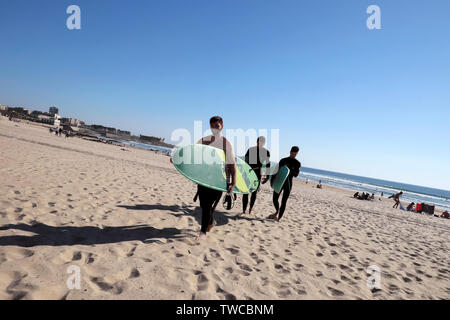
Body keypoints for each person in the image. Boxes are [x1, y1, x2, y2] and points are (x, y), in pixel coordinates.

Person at [195, 116, 236, 240]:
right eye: (212, 126)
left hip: (219, 180)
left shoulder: (226, 143)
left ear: (222, 126)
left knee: (208, 206)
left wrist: (233, 183)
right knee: (203, 205)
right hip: (204, 178)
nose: (215, 129)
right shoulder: (204, 140)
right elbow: (192, 155)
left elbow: (232, 164)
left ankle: (202, 233)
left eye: (217, 126)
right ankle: (211, 222)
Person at [268, 146, 301, 222]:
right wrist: (272, 181)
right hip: (279, 182)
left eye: (294, 154)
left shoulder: (297, 163)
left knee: (284, 201)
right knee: (274, 199)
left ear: (296, 154)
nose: (293, 155)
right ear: (290, 152)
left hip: (288, 184)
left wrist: (290, 169)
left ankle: (278, 218)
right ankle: (277, 211)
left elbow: (296, 174)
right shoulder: (283, 160)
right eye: (292, 153)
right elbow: (275, 171)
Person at [241, 136, 270, 216]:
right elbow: (245, 162)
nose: (259, 144)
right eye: (258, 142)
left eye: (261, 143)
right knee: (246, 192)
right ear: (256, 142)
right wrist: (243, 173)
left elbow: (268, 164)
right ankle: (244, 210)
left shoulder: (266, 152)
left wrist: (267, 176)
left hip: (257, 174)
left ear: (263, 143)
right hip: (248, 172)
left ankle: (250, 209)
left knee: (254, 192)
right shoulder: (250, 150)